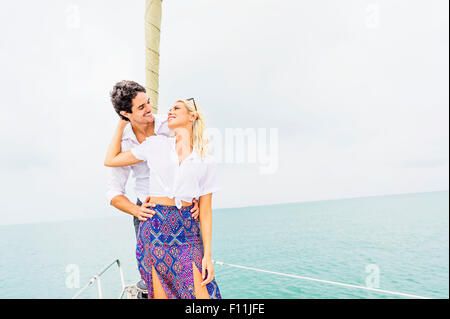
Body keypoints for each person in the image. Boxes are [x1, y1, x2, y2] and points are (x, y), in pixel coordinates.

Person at [104, 97, 221, 299]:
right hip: (153, 229)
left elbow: (206, 211)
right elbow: (111, 160)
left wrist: (208, 255)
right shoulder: (155, 144)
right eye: (169, 109)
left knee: (203, 295)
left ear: (192, 116)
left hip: (187, 230)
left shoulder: (206, 160)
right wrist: (122, 123)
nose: (170, 111)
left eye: (176, 108)